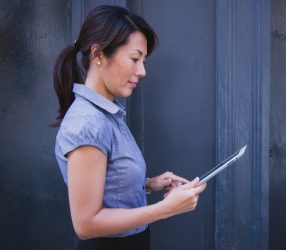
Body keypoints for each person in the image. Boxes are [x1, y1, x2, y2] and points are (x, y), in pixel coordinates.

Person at [52, 5, 206, 250]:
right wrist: (165, 209)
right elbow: (86, 223)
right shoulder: (88, 122)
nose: (142, 71)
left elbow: (105, 181)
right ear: (98, 54)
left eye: (143, 61)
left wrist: (147, 183)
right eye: (135, 58)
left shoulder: (106, 115)